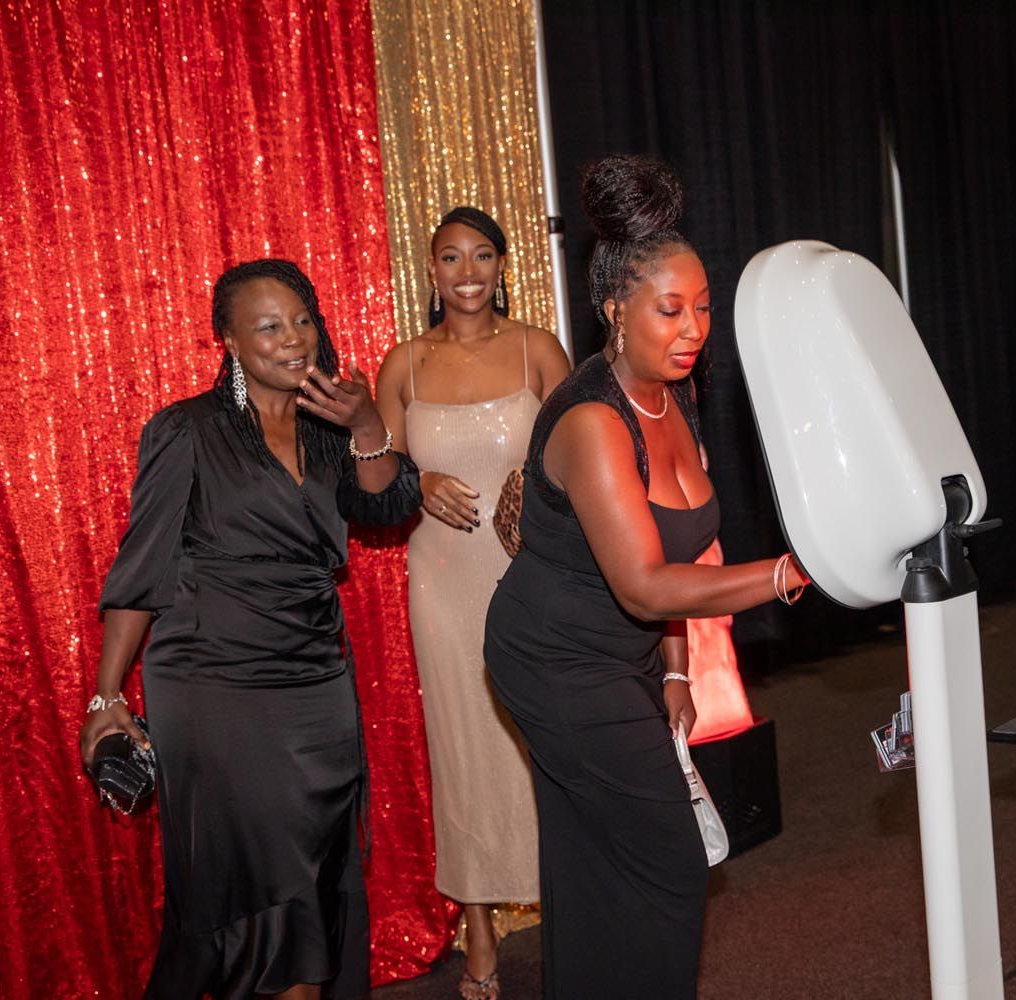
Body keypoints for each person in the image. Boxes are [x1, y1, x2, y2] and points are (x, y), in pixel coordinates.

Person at [483, 155, 809, 1000]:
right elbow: (645, 585)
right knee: (671, 859)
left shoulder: (675, 391)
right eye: (670, 310)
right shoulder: (594, 421)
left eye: (703, 306)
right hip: (553, 658)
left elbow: (675, 556)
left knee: (591, 860)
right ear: (615, 312)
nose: (693, 328)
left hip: (620, 654)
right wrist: (782, 574)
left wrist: (673, 669)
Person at [78, 259, 420, 1000]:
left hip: (317, 680)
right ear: (228, 340)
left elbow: (389, 507)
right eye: (268, 327)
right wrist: (106, 695)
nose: (293, 339)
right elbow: (143, 566)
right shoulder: (187, 430)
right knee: (272, 894)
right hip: (215, 682)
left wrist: (367, 424)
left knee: (314, 876)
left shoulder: (329, 427)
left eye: (302, 321)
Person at [376, 207, 569, 1000]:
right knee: (462, 747)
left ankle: (570, 904)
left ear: (501, 265)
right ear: (431, 271)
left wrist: (536, 483)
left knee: (544, 740)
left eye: (481, 255)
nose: (467, 272)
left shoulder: (537, 349)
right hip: (444, 578)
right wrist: (416, 480)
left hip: (530, 575)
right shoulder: (404, 364)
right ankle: (479, 925)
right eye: (450, 257)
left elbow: (581, 453)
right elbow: (376, 476)